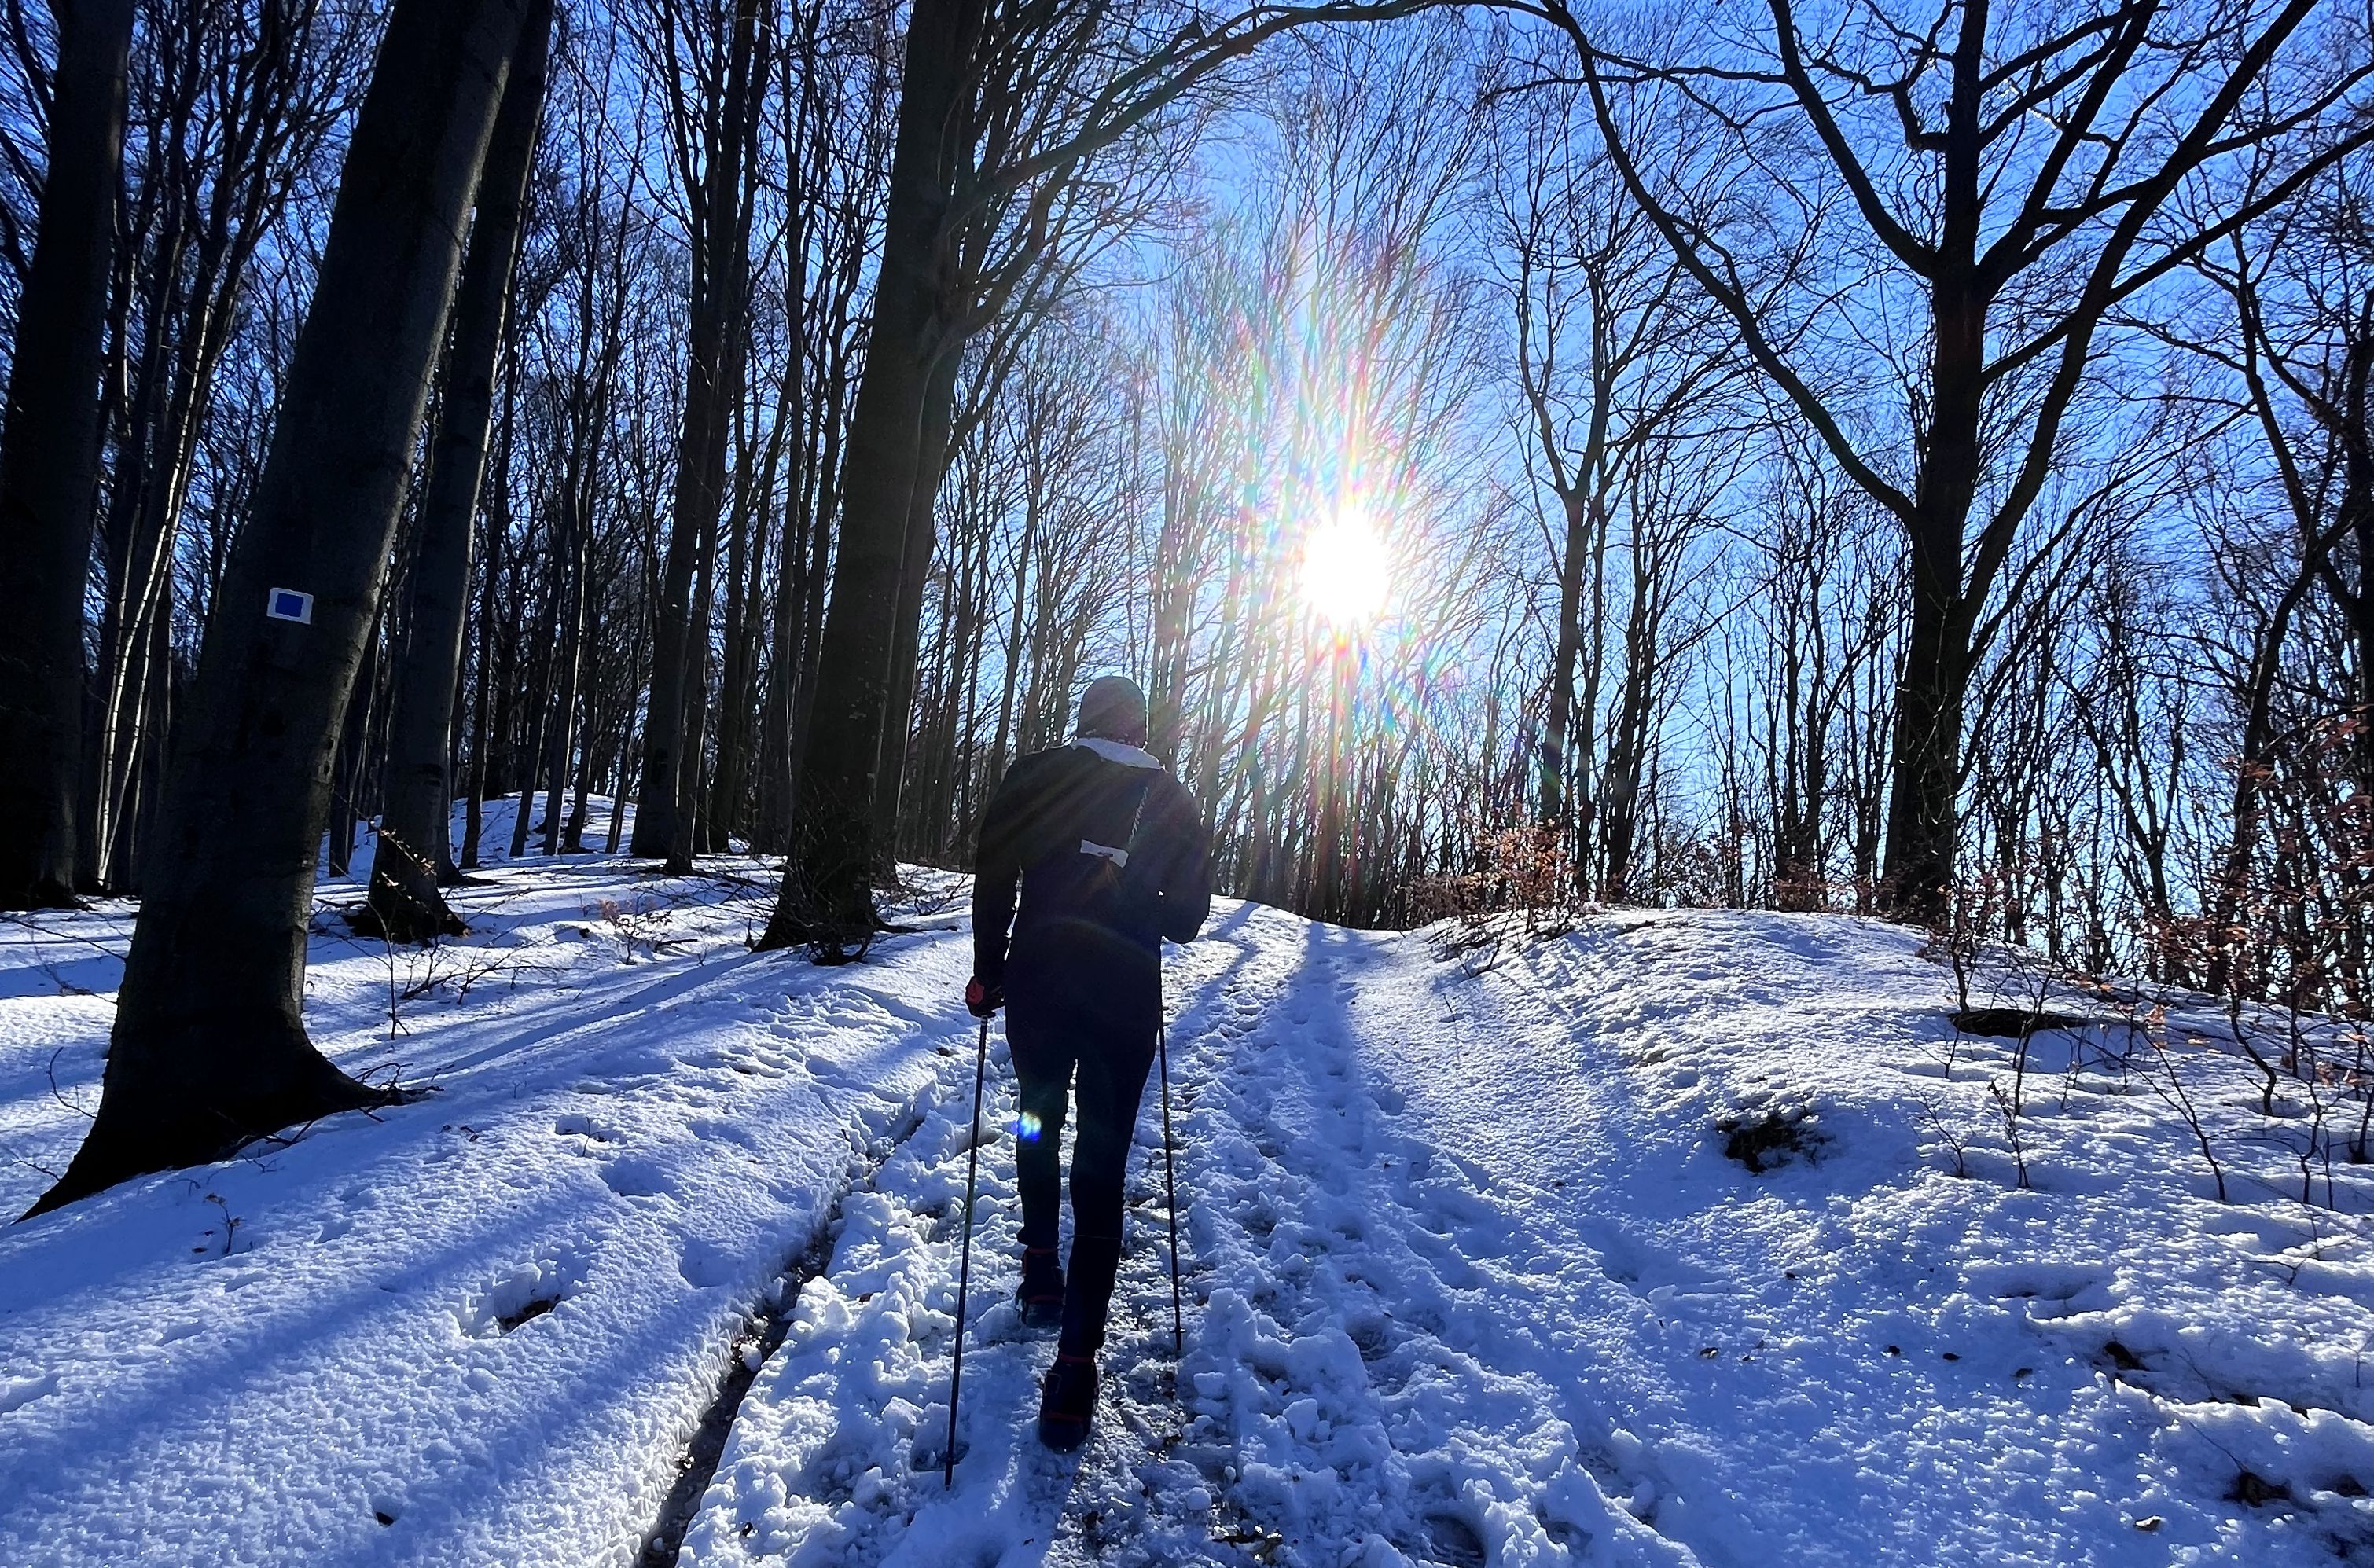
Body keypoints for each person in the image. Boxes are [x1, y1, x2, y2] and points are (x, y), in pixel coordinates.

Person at [967, 674, 1212, 1451]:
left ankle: (1041, 1269)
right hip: (1124, 1000)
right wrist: (1135, 894)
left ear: (1083, 720)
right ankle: (1075, 1372)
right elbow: (1188, 920)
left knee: (1036, 1118)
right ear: (1139, 730)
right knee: (1101, 1172)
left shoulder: (1034, 773)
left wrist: (988, 969)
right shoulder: (1171, 798)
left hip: (1039, 983)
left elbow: (993, 875)